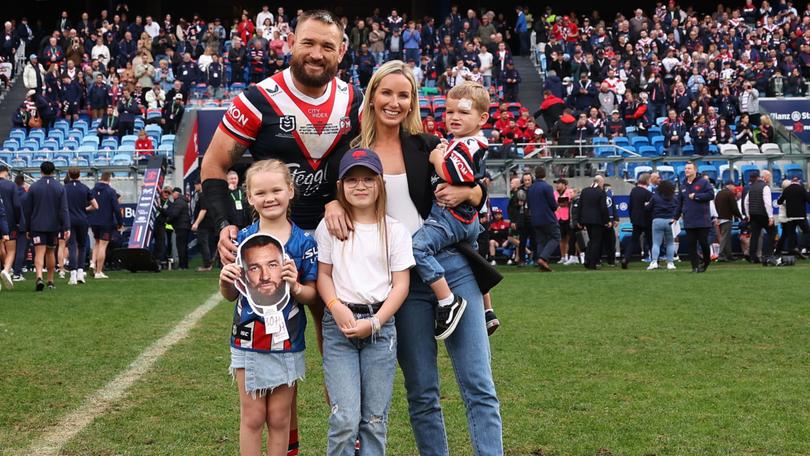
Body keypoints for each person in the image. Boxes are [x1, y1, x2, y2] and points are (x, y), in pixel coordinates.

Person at [334, 59, 502, 455]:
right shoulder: (351, 152)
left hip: (453, 271)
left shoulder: (426, 145)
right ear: (372, 96)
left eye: (403, 95)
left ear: (412, 102)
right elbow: (334, 196)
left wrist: (473, 193)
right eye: (386, 92)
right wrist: (331, 206)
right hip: (402, 285)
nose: (394, 102)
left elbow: (474, 191)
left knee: (479, 385)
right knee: (422, 393)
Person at [315, 148, 412, 455]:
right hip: (339, 328)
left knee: (374, 419)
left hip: (380, 329)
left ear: (380, 183)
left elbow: (401, 285)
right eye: (352, 179)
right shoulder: (329, 227)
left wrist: (376, 322)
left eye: (368, 179)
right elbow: (324, 275)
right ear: (341, 186)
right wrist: (334, 306)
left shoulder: (395, 230)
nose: (360, 186)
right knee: (344, 418)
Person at [219, 160, 318, 456]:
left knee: (279, 418)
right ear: (249, 197)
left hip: (288, 342)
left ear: (290, 191)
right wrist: (225, 280)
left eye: (276, 190)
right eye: (260, 192)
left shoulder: (304, 243)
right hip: (248, 342)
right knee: (252, 417)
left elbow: (312, 295)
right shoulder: (242, 240)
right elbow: (229, 295)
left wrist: (297, 286)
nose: (269, 197)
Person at [411, 80, 489, 339]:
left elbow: (456, 174)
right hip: (465, 217)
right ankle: (488, 311)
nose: (455, 117)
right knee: (476, 259)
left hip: (450, 217)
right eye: (450, 112)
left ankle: (447, 300)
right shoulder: (461, 141)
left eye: (464, 112)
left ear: (482, 118)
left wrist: (436, 159)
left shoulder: (470, 144)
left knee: (417, 247)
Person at [22, 161, 70, 291]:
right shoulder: (60, 187)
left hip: (37, 225)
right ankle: (50, 280)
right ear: (53, 171)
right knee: (50, 252)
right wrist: (66, 227)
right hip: (54, 226)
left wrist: (27, 227)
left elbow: (27, 209)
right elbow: (64, 209)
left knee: (39, 252)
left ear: (41, 171)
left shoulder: (34, 187)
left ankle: (38, 276)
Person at [675, 162, 715, 273]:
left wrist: (697, 196)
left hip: (702, 219)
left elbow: (711, 195)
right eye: (685, 168)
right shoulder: (683, 185)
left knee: (703, 243)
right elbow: (679, 203)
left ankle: (706, 261)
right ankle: (695, 266)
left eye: (689, 168)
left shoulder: (703, 182)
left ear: (695, 170)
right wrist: (675, 217)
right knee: (691, 244)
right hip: (689, 220)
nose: (687, 170)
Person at [64, 167, 97, 285]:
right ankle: (80, 273)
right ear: (79, 175)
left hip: (69, 220)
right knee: (82, 246)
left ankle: (72, 274)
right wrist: (84, 210)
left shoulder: (64, 188)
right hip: (82, 219)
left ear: (69, 174)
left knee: (72, 246)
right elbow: (95, 206)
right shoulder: (85, 188)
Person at [88, 172, 123, 279]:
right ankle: (99, 271)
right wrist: (120, 223)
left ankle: (92, 263)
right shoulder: (111, 191)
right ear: (109, 179)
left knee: (97, 243)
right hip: (106, 222)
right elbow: (117, 209)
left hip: (94, 221)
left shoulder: (92, 190)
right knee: (103, 245)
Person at [527, 166, 559, 271]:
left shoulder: (530, 188)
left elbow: (530, 204)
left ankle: (541, 264)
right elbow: (553, 205)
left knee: (541, 241)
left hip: (535, 219)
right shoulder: (547, 187)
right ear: (544, 174)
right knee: (556, 237)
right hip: (547, 218)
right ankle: (543, 258)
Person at [577, 175, 609, 270]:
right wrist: (606, 221)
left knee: (591, 240)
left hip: (586, 220)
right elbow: (604, 208)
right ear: (599, 182)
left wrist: (579, 220)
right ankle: (592, 263)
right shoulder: (601, 192)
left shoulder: (585, 191)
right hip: (597, 220)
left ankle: (587, 260)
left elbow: (580, 206)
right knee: (596, 242)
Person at [744, 170, 775, 264]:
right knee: (772, 233)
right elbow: (767, 203)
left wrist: (748, 215)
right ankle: (768, 254)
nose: (770, 179)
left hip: (753, 215)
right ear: (765, 177)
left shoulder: (752, 187)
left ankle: (753, 256)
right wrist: (770, 216)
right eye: (769, 177)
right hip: (763, 214)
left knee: (755, 236)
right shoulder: (765, 187)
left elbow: (746, 202)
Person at [646, 179, 679, 270]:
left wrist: (646, 205)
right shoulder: (674, 197)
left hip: (657, 220)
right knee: (670, 243)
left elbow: (648, 208)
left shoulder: (655, 197)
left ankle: (654, 262)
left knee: (656, 243)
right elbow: (678, 209)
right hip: (670, 221)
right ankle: (670, 263)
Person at [622, 173, 652, 268]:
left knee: (633, 240)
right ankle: (655, 261)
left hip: (636, 220)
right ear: (647, 181)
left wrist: (632, 218)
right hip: (646, 220)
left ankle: (626, 258)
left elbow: (630, 206)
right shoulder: (648, 193)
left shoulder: (633, 191)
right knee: (651, 241)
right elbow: (650, 208)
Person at [0, 165, 22, 290]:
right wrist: (19, 221)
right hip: (9, 220)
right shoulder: (11, 185)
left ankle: (4, 268)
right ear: (6, 172)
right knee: (11, 249)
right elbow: (17, 205)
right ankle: (7, 269)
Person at [776, 179, 809, 256]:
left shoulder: (786, 190)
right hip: (800, 216)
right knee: (806, 231)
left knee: (790, 234)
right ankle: (800, 247)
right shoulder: (801, 189)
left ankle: (792, 250)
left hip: (789, 217)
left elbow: (779, 202)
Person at [713, 180, 742, 262]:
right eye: (734, 186)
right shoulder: (729, 194)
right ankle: (721, 254)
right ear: (729, 185)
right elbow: (734, 207)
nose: (735, 188)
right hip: (726, 218)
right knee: (725, 237)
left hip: (719, 217)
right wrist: (740, 216)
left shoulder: (719, 193)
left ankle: (729, 255)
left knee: (727, 237)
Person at [166, 187, 191, 270]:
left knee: (180, 246)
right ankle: (185, 265)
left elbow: (174, 214)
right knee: (184, 246)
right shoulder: (183, 201)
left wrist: (168, 221)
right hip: (185, 226)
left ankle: (182, 265)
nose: (172, 196)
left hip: (181, 226)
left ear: (176, 193)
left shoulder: (178, 202)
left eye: (172, 194)